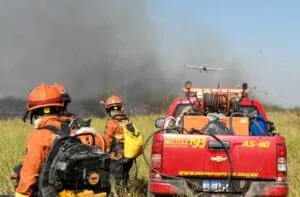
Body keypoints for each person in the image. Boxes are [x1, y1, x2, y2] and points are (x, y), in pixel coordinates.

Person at [14, 82, 106, 197]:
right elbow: (102, 147)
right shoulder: (76, 130)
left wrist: (20, 194)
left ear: (34, 111)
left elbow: (29, 175)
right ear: (59, 106)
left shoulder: (38, 136)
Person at [103, 95, 134, 191]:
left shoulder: (112, 123)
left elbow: (107, 141)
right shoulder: (127, 121)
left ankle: (118, 193)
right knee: (125, 176)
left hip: (117, 156)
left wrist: (105, 153)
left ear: (108, 110)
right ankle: (126, 192)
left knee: (116, 180)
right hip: (129, 155)